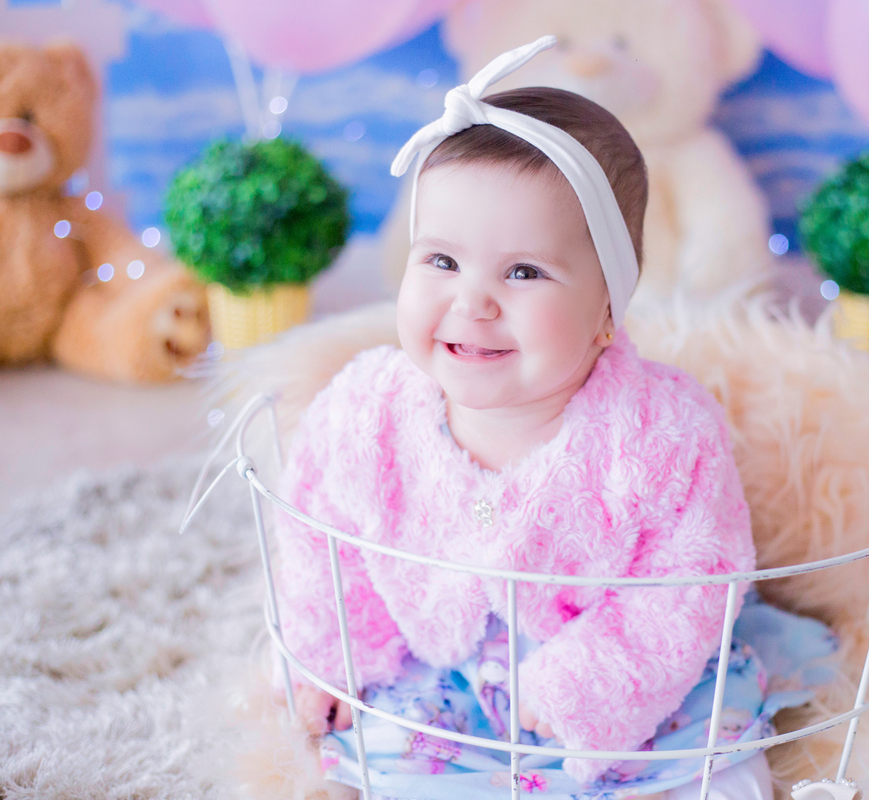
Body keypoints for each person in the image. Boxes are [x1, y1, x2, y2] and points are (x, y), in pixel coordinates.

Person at [271, 37, 833, 800]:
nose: (474, 301)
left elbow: (695, 574)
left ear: (607, 311)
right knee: (379, 769)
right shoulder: (367, 409)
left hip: (616, 678)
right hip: (438, 674)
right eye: (440, 261)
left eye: (524, 271)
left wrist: (592, 683)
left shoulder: (660, 429)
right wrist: (334, 655)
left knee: (718, 776)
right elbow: (316, 534)